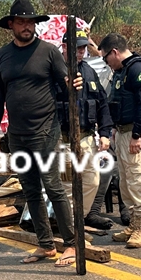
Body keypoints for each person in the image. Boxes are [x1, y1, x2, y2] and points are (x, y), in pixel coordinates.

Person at [0, 0, 76, 267]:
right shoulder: (3, 55)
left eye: (31, 22)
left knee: (52, 185)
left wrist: (75, 84)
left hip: (45, 130)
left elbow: (67, 86)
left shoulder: (49, 52)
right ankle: (46, 245)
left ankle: (71, 244)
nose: (27, 26)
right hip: (18, 135)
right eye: (22, 22)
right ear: (11, 25)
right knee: (30, 190)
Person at [100, 32, 141, 248]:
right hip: (123, 132)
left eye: (106, 58)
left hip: (136, 135)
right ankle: (133, 225)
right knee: (125, 182)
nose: (107, 63)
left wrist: (136, 135)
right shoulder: (123, 71)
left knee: (138, 181)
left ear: (114, 52)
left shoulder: (138, 70)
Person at [56, 29, 113, 231]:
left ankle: (78, 220)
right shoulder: (54, 70)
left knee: (92, 180)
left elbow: (102, 104)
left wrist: (105, 133)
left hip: (87, 138)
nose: (80, 52)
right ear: (64, 47)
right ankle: (68, 228)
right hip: (62, 139)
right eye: (76, 48)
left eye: (82, 48)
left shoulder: (89, 71)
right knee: (67, 186)